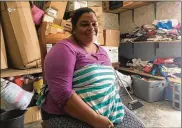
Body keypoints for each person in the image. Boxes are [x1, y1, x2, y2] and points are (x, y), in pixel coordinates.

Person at [40, 7, 145, 128]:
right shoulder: (64, 50)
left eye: (94, 24)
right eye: (84, 24)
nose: (91, 27)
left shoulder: (102, 51)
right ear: (73, 29)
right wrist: (96, 120)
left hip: (109, 110)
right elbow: (63, 95)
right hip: (67, 114)